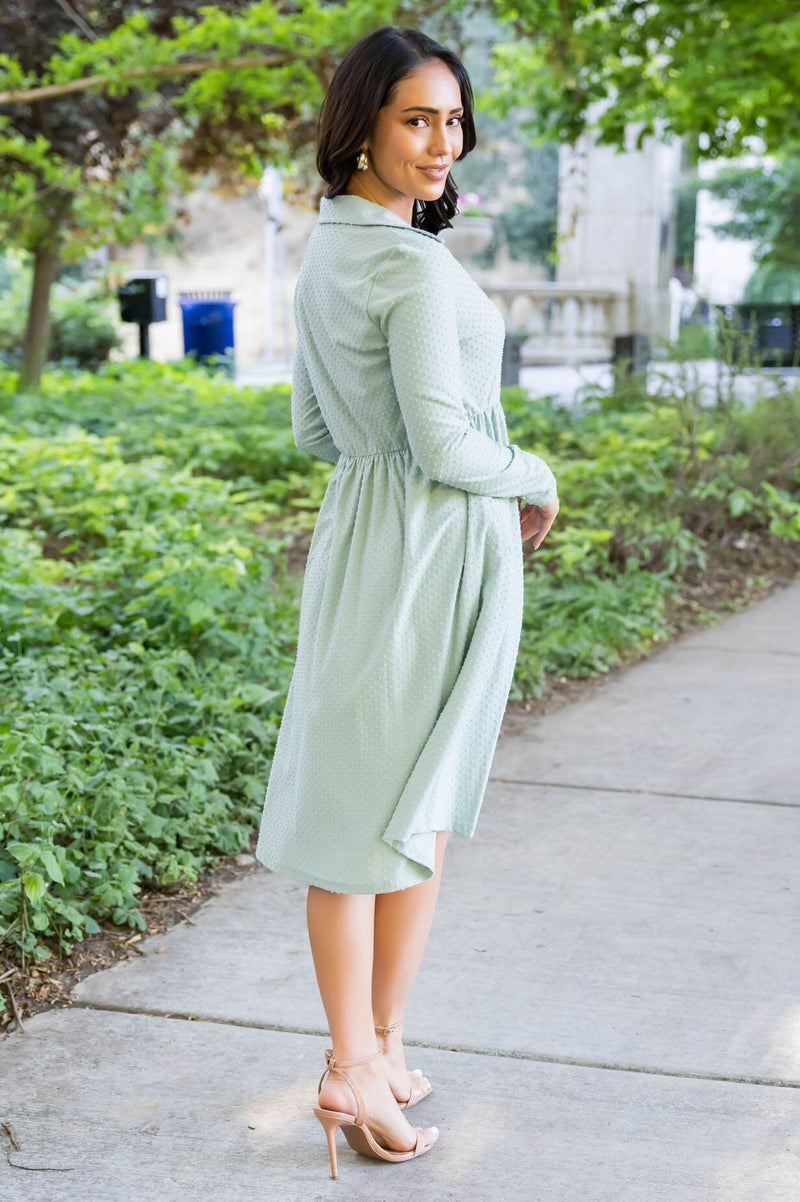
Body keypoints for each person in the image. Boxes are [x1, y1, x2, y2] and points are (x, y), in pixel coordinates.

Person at [254, 25, 559, 1178]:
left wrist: (390, 467)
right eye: (415, 119)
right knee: (371, 821)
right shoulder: (413, 267)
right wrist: (534, 474)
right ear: (361, 128)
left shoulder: (329, 254)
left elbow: (315, 431)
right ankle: (349, 1063)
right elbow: (443, 443)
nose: (442, 143)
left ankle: (382, 1044)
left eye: (452, 119)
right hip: (429, 552)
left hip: (368, 541)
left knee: (400, 805)